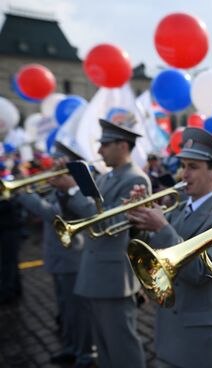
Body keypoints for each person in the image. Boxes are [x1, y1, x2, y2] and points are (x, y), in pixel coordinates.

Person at [127, 128, 212, 368]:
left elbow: (202, 274)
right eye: (182, 165)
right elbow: (155, 254)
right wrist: (138, 220)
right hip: (171, 328)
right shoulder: (180, 207)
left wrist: (162, 229)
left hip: (204, 339)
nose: (183, 174)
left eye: (193, 166)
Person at [50, 119, 150, 368]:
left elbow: (109, 224)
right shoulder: (106, 178)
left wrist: (73, 191)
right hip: (94, 272)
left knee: (122, 347)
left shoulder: (135, 179)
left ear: (123, 145)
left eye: (105, 144)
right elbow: (79, 217)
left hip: (114, 277)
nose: (99, 151)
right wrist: (65, 191)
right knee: (105, 349)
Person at [15, 142, 95, 367]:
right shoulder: (58, 186)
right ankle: (71, 348)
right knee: (65, 311)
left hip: (72, 257)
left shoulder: (75, 186)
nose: (53, 164)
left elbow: (54, 214)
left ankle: (85, 353)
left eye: (58, 160)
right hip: (58, 256)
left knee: (77, 312)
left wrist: (22, 195)